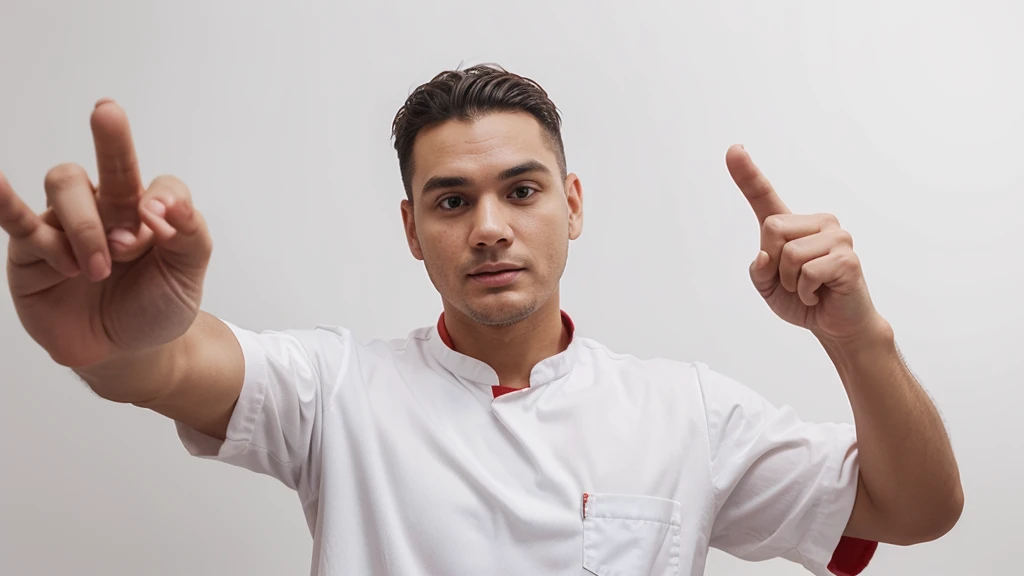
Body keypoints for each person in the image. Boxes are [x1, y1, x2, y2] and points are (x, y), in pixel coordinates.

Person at [0, 65, 963, 576]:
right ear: (413, 229)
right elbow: (172, 367)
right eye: (452, 201)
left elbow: (916, 511)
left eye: (522, 189)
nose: (491, 228)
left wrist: (855, 335)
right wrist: (118, 344)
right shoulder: (335, 392)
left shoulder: (689, 414)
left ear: (573, 205)